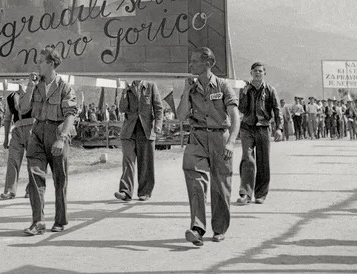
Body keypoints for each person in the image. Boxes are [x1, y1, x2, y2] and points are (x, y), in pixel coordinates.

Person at [177, 47, 240, 247]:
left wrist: (231, 141)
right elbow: (180, 116)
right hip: (197, 138)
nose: (191, 65)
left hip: (220, 137)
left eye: (195, 61)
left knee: (220, 185)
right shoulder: (192, 88)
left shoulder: (223, 85)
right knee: (195, 181)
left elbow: (234, 116)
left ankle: (219, 228)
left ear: (208, 64)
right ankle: (197, 228)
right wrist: (186, 91)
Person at [20, 46, 78, 235]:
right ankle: (38, 222)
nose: (37, 65)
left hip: (58, 132)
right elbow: (23, 108)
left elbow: (70, 115)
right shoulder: (35, 84)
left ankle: (60, 220)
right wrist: (29, 86)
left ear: (50, 64)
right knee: (35, 176)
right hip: (37, 133)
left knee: (60, 179)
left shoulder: (64, 87)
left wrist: (62, 138)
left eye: (41, 61)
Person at [236, 62, 283, 206]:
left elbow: (277, 109)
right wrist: (243, 94)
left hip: (263, 128)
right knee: (247, 159)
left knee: (263, 161)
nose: (258, 73)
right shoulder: (245, 89)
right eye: (255, 71)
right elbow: (242, 109)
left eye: (260, 71)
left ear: (264, 73)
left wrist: (279, 128)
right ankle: (245, 194)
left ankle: (261, 194)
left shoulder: (270, 90)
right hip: (247, 128)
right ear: (251, 73)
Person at [114, 79, 163, 202]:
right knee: (128, 161)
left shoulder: (151, 86)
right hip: (129, 131)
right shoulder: (127, 88)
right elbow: (122, 109)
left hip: (146, 130)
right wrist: (124, 93)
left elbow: (158, 108)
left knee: (145, 162)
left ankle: (145, 192)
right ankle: (125, 191)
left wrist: (158, 124)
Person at [0, 83, 33, 200]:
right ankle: (10, 190)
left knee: (33, 161)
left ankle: (31, 189)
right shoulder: (10, 97)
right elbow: (8, 118)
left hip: (32, 128)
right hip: (17, 130)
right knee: (12, 161)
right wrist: (5, 138)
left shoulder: (33, 92)